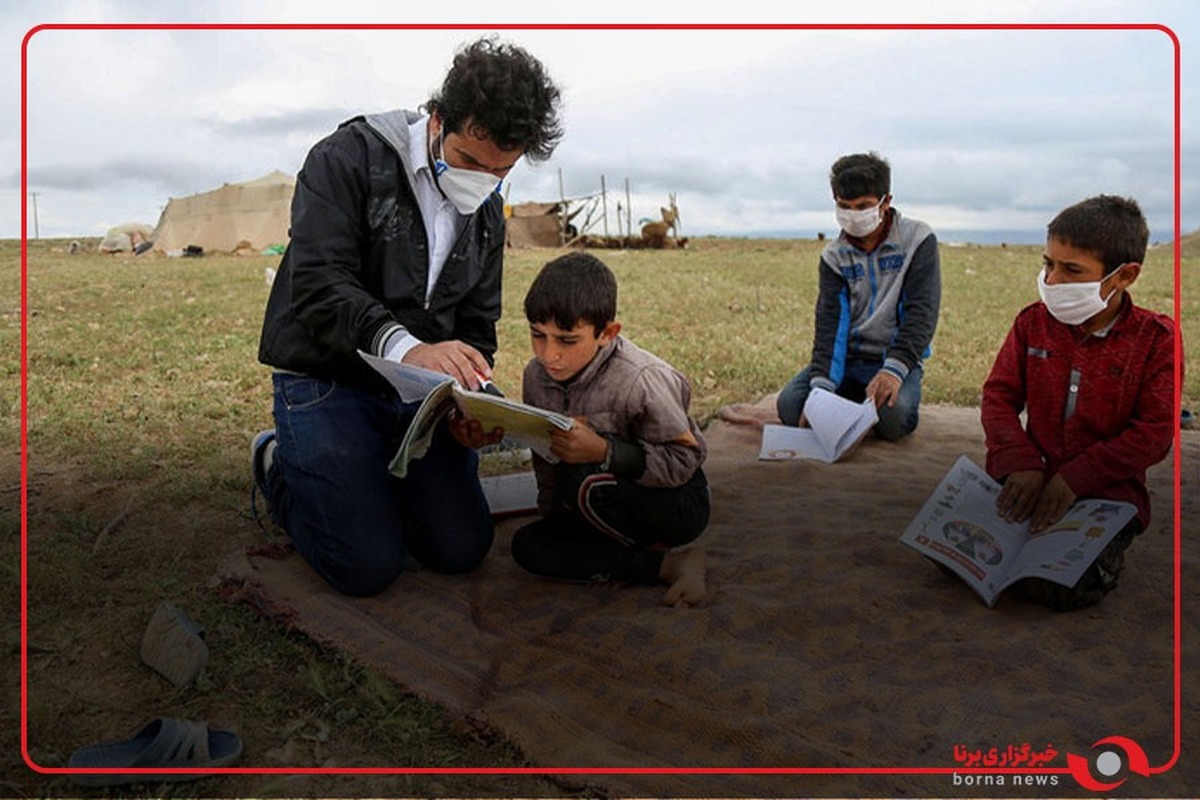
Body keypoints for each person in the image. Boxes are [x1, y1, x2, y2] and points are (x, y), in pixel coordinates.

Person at [251, 38, 563, 596]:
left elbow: (476, 322)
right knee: (366, 566)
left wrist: (474, 397)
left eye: (500, 170)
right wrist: (408, 349)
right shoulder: (346, 159)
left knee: (460, 548)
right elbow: (319, 286)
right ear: (437, 119)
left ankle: (368, 487)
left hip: (420, 397)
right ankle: (276, 462)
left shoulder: (487, 208)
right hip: (328, 376)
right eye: (470, 160)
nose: (481, 180)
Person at [980, 194, 1178, 611]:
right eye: (1048, 263)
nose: (1051, 281)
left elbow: (1154, 435)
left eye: (1071, 270)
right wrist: (1020, 462)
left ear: (1125, 276)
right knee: (960, 554)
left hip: (1106, 491)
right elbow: (998, 396)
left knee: (1059, 588)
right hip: (1027, 479)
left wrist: (1075, 479)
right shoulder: (1031, 323)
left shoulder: (1157, 341)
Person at [511, 253, 711, 607]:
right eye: (538, 336)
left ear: (607, 333)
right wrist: (556, 519)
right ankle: (660, 565)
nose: (548, 355)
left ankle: (656, 556)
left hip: (672, 501)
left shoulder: (641, 378)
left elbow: (687, 458)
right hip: (589, 505)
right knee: (527, 547)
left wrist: (606, 452)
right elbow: (544, 454)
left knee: (584, 478)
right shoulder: (535, 376)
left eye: (566, 340)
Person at [776, 152, 941, 441]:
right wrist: (822, 390)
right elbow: (830, 327)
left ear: (885, 201)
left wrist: (894, 370)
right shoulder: (833, 256)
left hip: (895, 359)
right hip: (849, 359)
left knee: (895, 420)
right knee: (791, 406)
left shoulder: (917, 240)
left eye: (863, 206)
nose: (853, 216)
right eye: (844, 206)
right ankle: (851, 407)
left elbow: (922, 314)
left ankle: (859, 408)